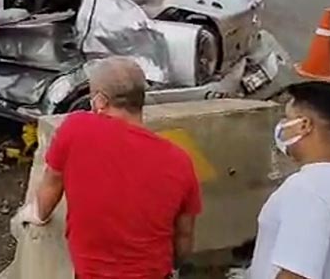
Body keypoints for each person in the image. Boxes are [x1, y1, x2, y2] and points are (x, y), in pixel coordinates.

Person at [18, 57, 202, 278]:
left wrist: (33, 214)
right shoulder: (180, 161)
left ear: (100, 101)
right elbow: (184, 237)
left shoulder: (76, 129)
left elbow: (47, 199)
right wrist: (175, 265)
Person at [248, 81, 330, 279]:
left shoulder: (306, 190)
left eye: (287, 118)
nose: (281, 127)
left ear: (304, 125)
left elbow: (295, 274)